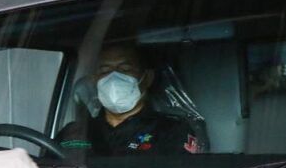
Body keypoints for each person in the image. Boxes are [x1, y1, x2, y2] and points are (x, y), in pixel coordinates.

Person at [59, 43, 202, 155]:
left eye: (125, 69)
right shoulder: (73, 133)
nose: (114, 77)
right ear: (95, 80)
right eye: (105, 71)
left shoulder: (172, 130)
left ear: (147, 78)